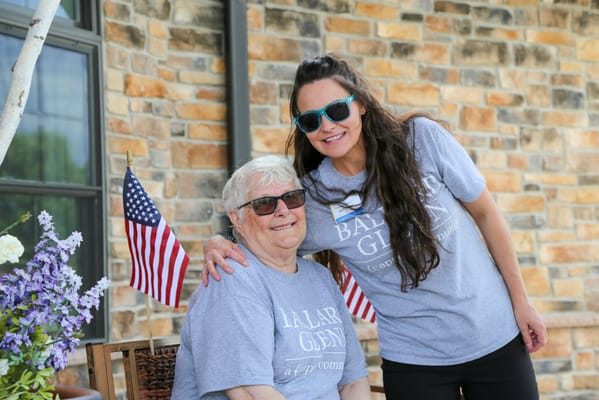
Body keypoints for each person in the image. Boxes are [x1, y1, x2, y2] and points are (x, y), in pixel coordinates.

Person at [202, 54, 548, 400]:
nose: (327, 126)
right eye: (310, 120)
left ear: (361, 104)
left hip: (496, 336)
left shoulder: (422, 141)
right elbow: (269, 236)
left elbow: (487, 214)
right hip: (414, 361)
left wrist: (522, 302)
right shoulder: (315, 198)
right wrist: (219, 241)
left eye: (337, 111)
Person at [171, 155, 371, 400]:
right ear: (236, 218)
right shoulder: (232, 278)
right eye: (264, 204)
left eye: (292, 198)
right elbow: (250, 394)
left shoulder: (320, 278)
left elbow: (353, 382)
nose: (283, 211)